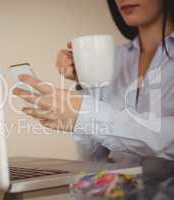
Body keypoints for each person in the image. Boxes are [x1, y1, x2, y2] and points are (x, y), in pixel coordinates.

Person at [13, 0, 174, 163]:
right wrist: (83, 84)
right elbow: (93, 158)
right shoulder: (113, 58)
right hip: (118, 187)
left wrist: (84, 113)